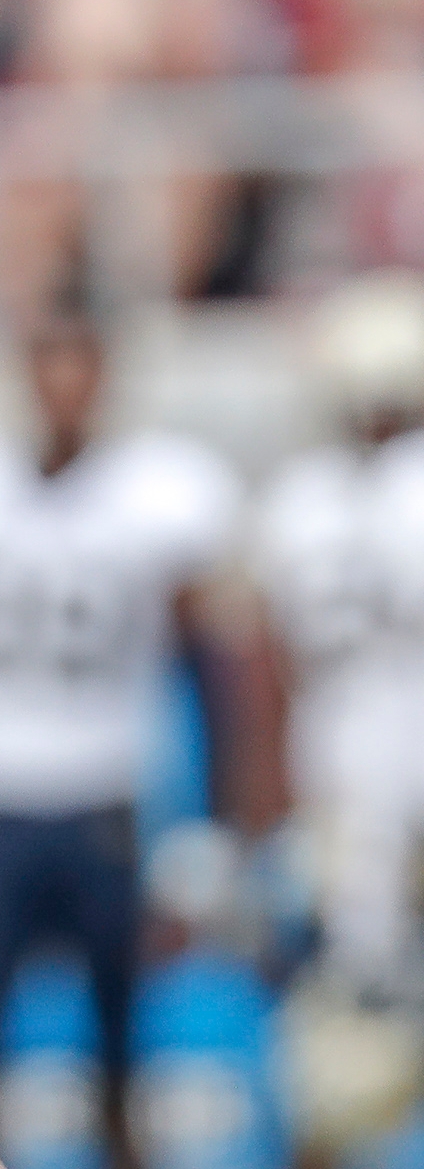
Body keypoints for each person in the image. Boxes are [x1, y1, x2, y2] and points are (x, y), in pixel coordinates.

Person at [0, 312, 244, 1169]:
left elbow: (211, 661)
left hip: (107, 797)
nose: (65, 386)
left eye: (82, 364)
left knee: (121, 1059)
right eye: (51, 362)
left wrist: (217, 818)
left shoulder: (160, 490)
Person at [257, 273, 424, 1005]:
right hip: (396, 721)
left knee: (358, 962)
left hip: (333, 737)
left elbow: (276, 652)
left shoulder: (299, 496)